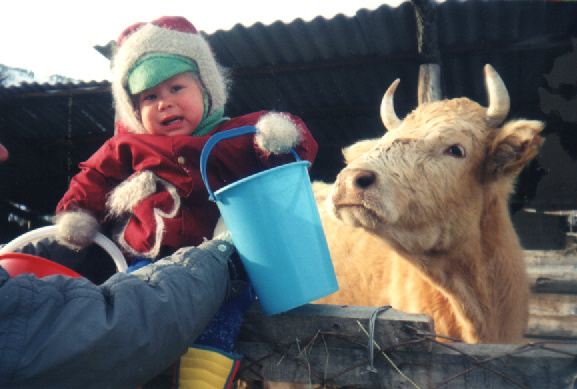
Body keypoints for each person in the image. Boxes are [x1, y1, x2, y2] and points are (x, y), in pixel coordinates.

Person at [54, 15, 318, 263]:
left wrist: (278, 138)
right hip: (151, 260)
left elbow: (289, 162)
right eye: (150, 97)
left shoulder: (236, 135)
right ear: (134, 111)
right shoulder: (127, 147)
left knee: (231, 304)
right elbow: (95, 177)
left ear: (205, 90)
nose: (164, 104)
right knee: (134, 297)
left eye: (176, 88)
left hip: (226, 262)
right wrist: (78, 213)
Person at [0, 188, 246, 388]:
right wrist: (217, 257)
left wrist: (80, 230)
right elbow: (114, 330)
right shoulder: (126, 147)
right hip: (172, 261)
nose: (4, 151)